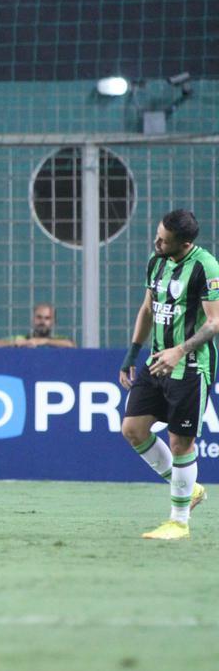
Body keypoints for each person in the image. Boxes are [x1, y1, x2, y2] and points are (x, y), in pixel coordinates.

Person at [119, 209, 219, 540]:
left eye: (164, 239)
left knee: (181, 442)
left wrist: (180, 350)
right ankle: (189, 490)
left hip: (190, 365)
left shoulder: (206, 267)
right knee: (133, 429)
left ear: (185, 242)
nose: (156, 241)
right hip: (155, 360)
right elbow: (148, 308)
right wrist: (132, 353)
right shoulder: (156, 260)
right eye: (158, 234)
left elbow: (214, 323)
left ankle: (178, 522)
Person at [0, 303, 75, 348]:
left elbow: (72, 345)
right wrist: (14, 343)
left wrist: (45, 341)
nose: (42, 321)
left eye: (47, 318)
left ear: (53, 321)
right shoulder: (23, 338)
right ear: (33, 319)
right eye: (39, 317)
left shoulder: (59, 339)